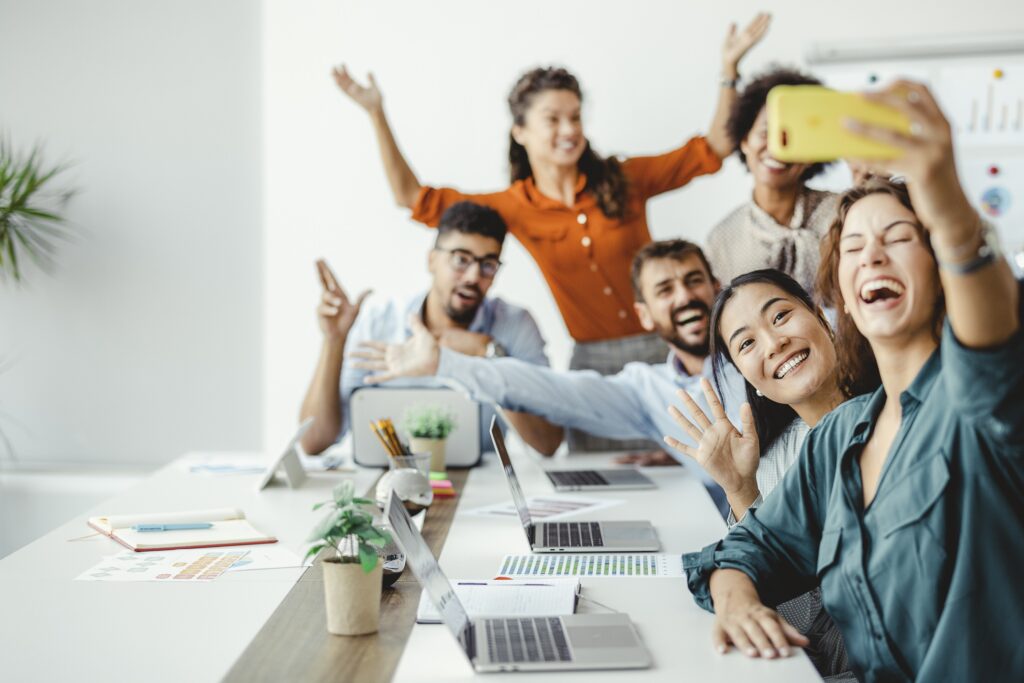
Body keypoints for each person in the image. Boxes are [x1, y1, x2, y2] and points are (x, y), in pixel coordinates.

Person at [682, 83, 1023, 682]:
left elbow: (987, 326)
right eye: (855, 248)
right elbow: (748, 550)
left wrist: (940, 192)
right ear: (840, 295)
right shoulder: (842, 435)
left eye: (898, 240)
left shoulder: (973, 401)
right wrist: (737, 601)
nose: (872, 257)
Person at [332, 13, 770, 451]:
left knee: (699, 471)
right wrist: (376, 112)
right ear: (520, 131)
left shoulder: (624, 177)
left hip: (668, 351)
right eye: (554, 119)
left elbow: (713, 148)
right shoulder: (514, 205)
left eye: (576, 117)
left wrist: (728, 71)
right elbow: (412, 198)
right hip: (593, 364)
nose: (570, 130)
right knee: (601, 483)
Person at [349, 239, 747, 511]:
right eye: (665, 290)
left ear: (717, 288)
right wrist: (445, 364)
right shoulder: (648, 388)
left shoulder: (754, 359)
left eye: (694, 281)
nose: (684, 297)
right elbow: (550, 390)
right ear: (643, 314)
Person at [663, 269, 853, 679]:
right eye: (747, 343)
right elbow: (796, 616)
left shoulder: (892, 414)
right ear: (751, 380)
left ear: (822, 319)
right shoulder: (775, 457)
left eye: (781, 317)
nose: (774, 342)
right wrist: (739, 488)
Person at [299, 201, 563, 457]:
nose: (473, 277)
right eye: (461, 259)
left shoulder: (515, 326)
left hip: (481, 485)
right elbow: (313, 442)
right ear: (432, 261)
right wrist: (334, 341)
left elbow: (548, 442)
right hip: (386, 480)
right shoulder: (379, 323)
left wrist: (490, 354)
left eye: (488, 265)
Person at [704, 68, 838, 296]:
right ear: (744, 140)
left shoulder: (842, 216)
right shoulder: (722, 240)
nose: (778, 148)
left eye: (793, 136)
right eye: (767, 133)